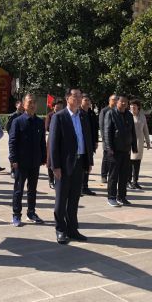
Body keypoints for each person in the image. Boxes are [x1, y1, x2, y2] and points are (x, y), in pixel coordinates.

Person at [49, 88, 93, 244]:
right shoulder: (59, 117)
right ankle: (60, 229)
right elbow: (53, 143)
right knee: (61, 199)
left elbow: (87, 139)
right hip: (64, 165)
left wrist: (89, 161)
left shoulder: (83, 116)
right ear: (67, 98)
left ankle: (72, 229)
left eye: (80, 96)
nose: (79, 98)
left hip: (80, 162)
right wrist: (55, 166)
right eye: (75, 96)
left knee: (74, 199)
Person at [8, 94, 46, 227]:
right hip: (21, 161)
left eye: (34, 102)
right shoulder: (17, 121)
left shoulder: (40, 122)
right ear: (24, 105)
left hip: (35, 161)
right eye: (30, 102)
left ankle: (31, 212)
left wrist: (43, 157)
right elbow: (12, 141)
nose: (32, 105)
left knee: (32, 189)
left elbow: (42, 141)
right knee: (19, 189)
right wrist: (13, 159)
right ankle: (16, 214)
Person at [103, 94, 137, 207]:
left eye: (126, 102)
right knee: (113, 175)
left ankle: (122, 197)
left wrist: (134, 146)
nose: (124, 103)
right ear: (117, 102)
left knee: (124, 175)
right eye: (121, 101)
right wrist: (109, 148)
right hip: (114, 150)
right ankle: (111, 197)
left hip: (125, 150)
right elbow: (107, 132)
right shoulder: (110, 113)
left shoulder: (129, 115)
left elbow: (132, 131)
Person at [129, 99, 151, 190]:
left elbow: (145, 129)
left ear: (138, 107)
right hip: (129, 142)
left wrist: (148, 141)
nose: (132, 107)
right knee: (129, 163)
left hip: (139, 142)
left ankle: (135, 181)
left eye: (134, 105)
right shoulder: (127, 115)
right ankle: (128, 181)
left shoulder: (142, 116)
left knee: (137, 162)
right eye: (131, 105)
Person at [80, 94, 99, 196]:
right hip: (81, 144)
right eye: (85, 100)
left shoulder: (91, 114)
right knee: (80, 166)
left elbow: (95, 129)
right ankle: (78, 187)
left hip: (90, 143)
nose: (87, 102)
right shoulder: (79, 113)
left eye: (88, 100)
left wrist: (96, 141)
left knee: (88, 164)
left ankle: (85, 187)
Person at [45, 99, 65, 189]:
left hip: (63, 140)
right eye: (57, 106)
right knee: (50, 159)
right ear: (53, 106)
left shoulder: (65, 115)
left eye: (61, 106)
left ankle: (59, 180)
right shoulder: (50, 115)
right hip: (52, 139)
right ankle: (51, 180)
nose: (59, 108)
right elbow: (48, 127)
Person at [98, 94, 118, 184]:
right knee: (106, 157)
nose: (115, 101)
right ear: (109, 101)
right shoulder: (104, 111)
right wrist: (104, 139)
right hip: (107, 139)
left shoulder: (117, 111)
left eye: (116, 99)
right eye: (113, 99)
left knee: (113, 158)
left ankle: (112, 175)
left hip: (115, 140)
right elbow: (102, 126)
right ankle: (103, 175)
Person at [6, 99, 25, 178]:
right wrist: (12, 135)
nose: (21, 106)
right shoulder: (13, 116)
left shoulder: (25, 115)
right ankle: (13, 170)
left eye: (22, 104)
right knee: (13, 155)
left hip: (23, 139)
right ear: (16, 105)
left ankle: (21, 170)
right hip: (14, 138)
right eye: (20, 104)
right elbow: (8, 127)